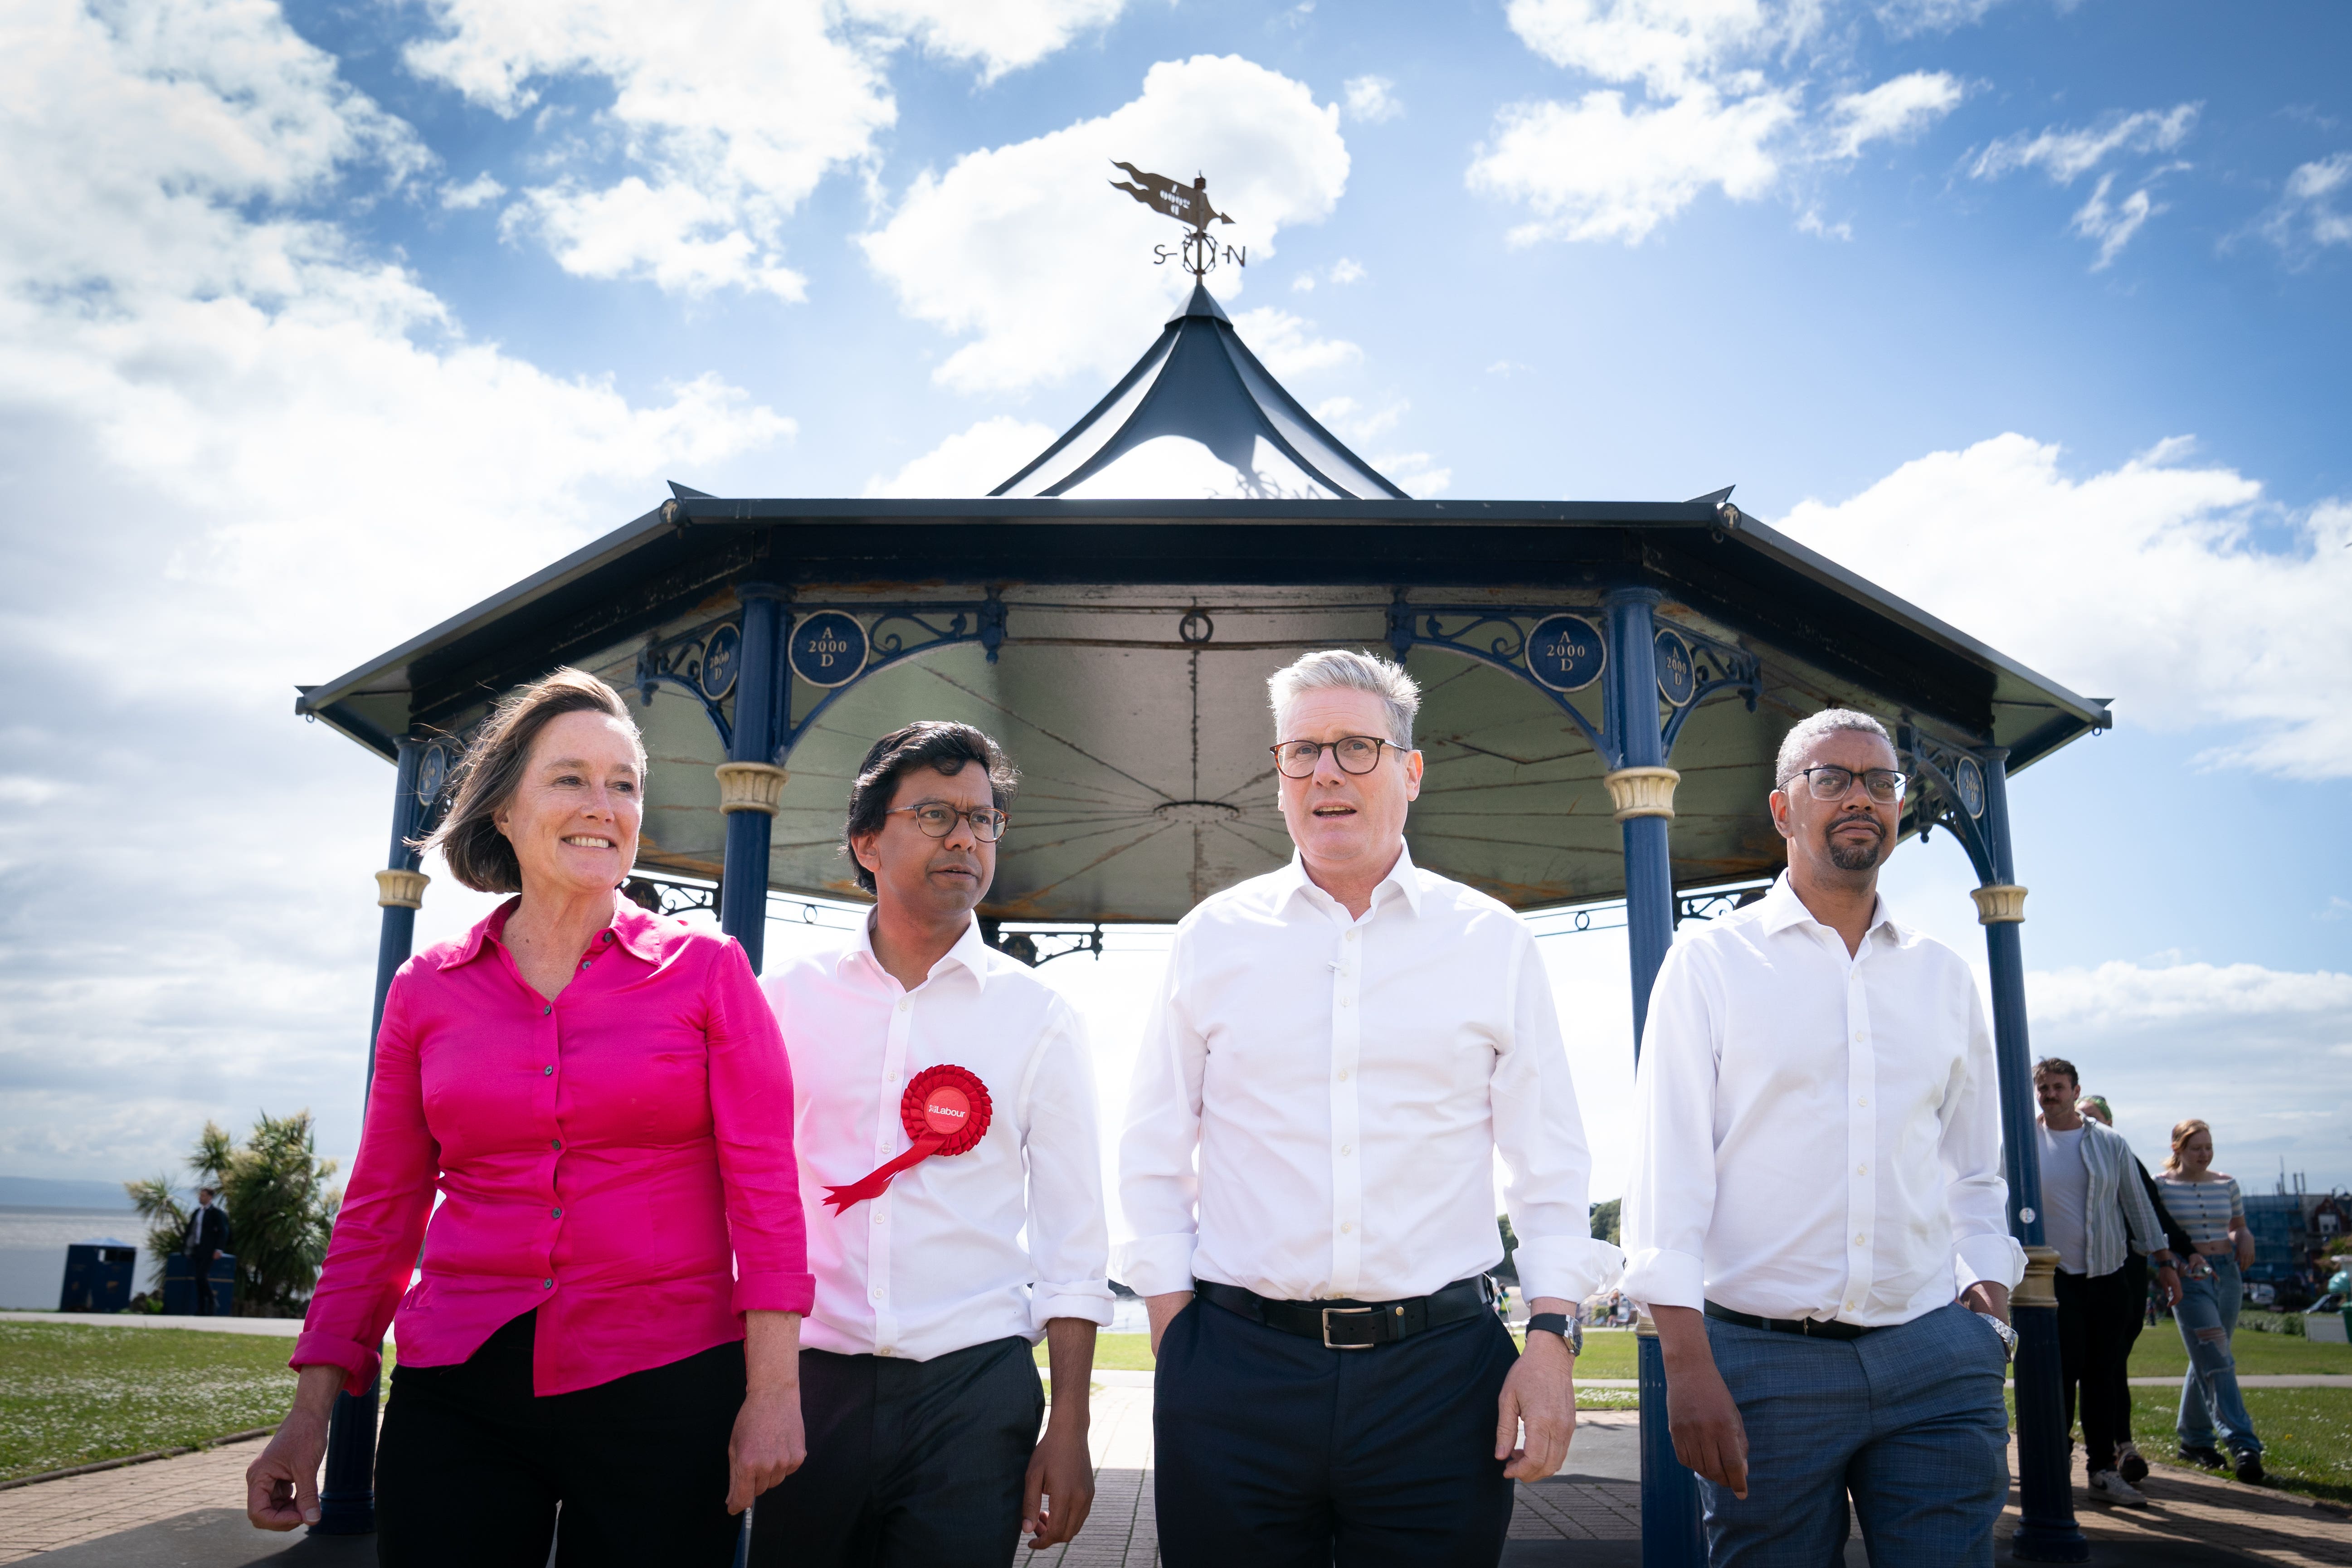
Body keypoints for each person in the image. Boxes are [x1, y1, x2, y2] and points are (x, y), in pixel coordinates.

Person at [244, 668, 812, 1565]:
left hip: (664, 1386)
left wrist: (773, 1393)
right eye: (570, 777)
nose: (604, 804)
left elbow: (767, 1195)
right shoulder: (425, 990)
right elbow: (380, 1207)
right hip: (457, 1389)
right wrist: (310, 1412)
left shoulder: (710, 973)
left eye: (624, 783)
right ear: (503, 809)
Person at [1121, 649, 1620, 1567]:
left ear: (1410, 770)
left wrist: (1550, 1336)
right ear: (1277, 774)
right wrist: (1173, 1334)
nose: (1324, 773)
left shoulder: (1491, 941)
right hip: (1236, 1371)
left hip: (1439, 1379)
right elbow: (1152, 1151)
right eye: (1300, 751)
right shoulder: (1212, 939)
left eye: (1356, 747)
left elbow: (1548, 1164)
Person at [1622, 708, 2025, 1566]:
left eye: (1881, 782)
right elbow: (1667, 1176)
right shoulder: (1709, 963)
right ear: (1782, 808)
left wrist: (1987, 1303)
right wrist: (1687, 1367)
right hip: (1763, 1366)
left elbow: (1973, 1169)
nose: (1860, 798)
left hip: (1934, 1360)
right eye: (1831, 777)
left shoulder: (1942, 977)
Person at [754, 722, 1111, 1567]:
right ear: (867, 840)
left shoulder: (1040, 1017)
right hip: (810, 1383)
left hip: (972, 1392)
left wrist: (1071, 1423)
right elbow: (740, 1200)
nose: (965, 836)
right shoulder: (782, 1002)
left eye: (984, 819)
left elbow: (1073, 1241)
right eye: (935, 813)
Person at [2032, 1060, 2183, 1507]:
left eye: (2059, 1087)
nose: (2051, 1094)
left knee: (2102, 1374)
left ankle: (2102, 1467)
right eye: (2043, 1087)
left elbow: (2138, 1205)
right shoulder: (2022, 1142)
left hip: (2106, 1274)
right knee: (2059, 1373)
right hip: (2051, 1277)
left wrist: (2165, 1261)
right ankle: (2051, 1462)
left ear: (2076, 1090)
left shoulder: (2110, 1143)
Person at [2076, 1092, 2201, 1484]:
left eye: (2094, 1118)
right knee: (2069, 1365)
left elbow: (2152, 1213)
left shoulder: (2121, 1158)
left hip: (2121, 1272)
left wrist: (2181, 1255)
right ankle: (2060, 1448)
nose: (2086, 1126)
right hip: (2072, 1276)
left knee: (2112, 1364)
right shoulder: (2060, 1159)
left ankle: (2121, 1447)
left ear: (2109, 1124)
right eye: (2082, 1119)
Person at [2155, 1119, 2265, 1483]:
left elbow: (2236, 1223)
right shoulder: (2161, 1187)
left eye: (2208, 1147)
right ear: (2177, 1149)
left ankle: (2194, 1439)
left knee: (2210, 1356)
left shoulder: (2226, 1183)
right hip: (2190, 1275)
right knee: (2215, 1355)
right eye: (2195, 1148)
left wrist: (2243, 1235)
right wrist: (2170, 1265)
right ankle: (2243, 1444)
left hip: (2228, 1273)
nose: (2203, 1154)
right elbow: (2158, 1232)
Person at [184, 1186, 230, 1317]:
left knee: (201, 1276)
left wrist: (219, 1249)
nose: (201, 1198)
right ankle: (201, 1308)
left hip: (209, 1250)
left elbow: (223, 1232)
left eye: (203, 1196)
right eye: (200, 1195)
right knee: (198, 1279)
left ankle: (212, 1301)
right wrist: (187, 1248)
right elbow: (191, 1231)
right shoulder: (197, 1212)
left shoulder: (216, 1212)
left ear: (210, 1197)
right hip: (197, 1249)